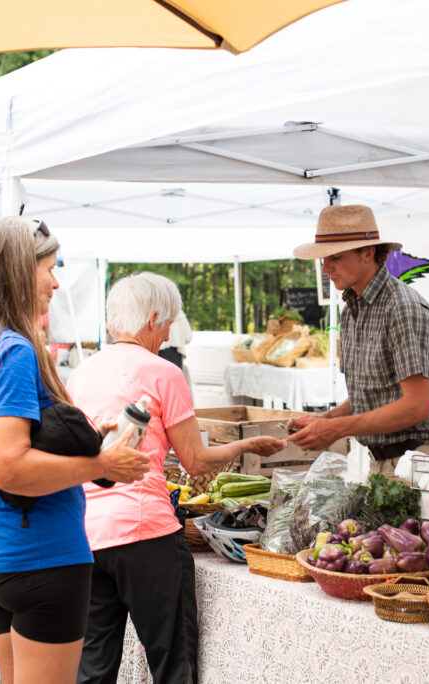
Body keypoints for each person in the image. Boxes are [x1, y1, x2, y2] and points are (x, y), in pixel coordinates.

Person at [0, 217, 149, 684]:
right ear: (15, 270)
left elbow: (8, 443)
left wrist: (84, 436)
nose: (55, 282)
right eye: (48, 268)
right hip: (42, 557)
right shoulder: (13, 350)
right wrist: (101, 463)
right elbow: (6, 465)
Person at [67, 272, 286, 684]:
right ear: (152, 319)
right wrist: (246, 445)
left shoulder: (81, 373)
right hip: (145, 531)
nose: (169, 332)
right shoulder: (163, 372)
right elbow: (196, 461)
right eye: (168, 322)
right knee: (172, 661)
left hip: (86, 533)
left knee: (92, 666)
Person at [287, 204, 429, 473]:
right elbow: (373, 395)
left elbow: (415, 408)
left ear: (368, 252)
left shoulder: (403, 309)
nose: (325, 267)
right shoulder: (352, 310)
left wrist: (335, 428)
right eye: (323, 258)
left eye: (335, 256)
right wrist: (325, 418)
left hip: (420, 461)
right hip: (381, 461)